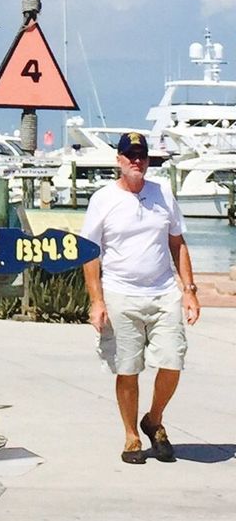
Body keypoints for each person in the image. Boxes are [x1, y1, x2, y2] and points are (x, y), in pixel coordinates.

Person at [82, 131, 200, 464]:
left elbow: (177, 243)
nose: (137, 161)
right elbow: (90, 253)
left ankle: (154, 419)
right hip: (120, 292)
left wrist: (189, 291)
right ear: (118, 160)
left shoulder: (163, 193)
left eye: (142, 156)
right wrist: (97, 301)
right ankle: (131, 435)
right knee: (127, 367)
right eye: (130, 155)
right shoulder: (103, 199)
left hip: (163, 292)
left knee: (172, 361)